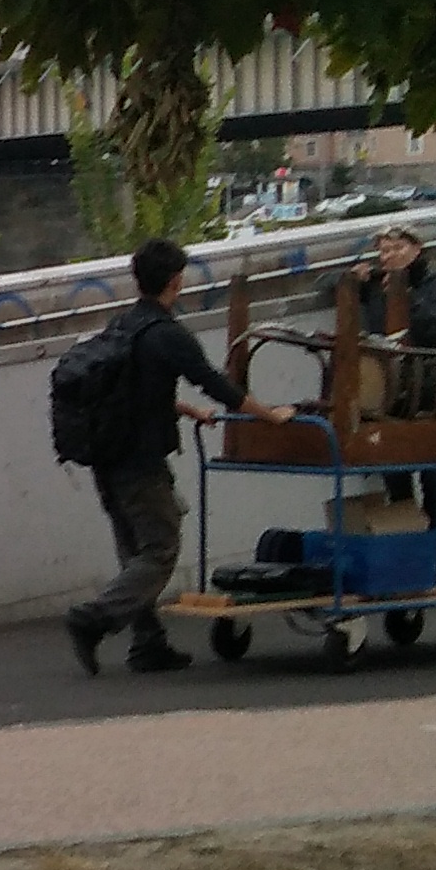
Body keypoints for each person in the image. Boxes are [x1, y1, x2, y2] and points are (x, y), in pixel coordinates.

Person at [65, 235, 254, 676]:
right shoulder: (168, 334)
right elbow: (218, 385)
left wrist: (184, 408)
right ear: (176, 281)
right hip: (139, 461)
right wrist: (271, 415)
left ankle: (148, 644)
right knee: (160, 550)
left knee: (136, 553)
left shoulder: (122, 326)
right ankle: (93, 618)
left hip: (105, 456)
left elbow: (130, 392)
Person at [341, 221, 436, 550]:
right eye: (384, 250)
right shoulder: (376, 283)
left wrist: (404, 295)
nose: (389, 255)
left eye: (397, 248)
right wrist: (354, 278)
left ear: (417, 249)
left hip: (427, 394)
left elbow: (435, 328)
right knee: (396, 478)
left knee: (433, 479)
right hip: (386, 397)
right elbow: (328, 285)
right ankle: (407, 552)